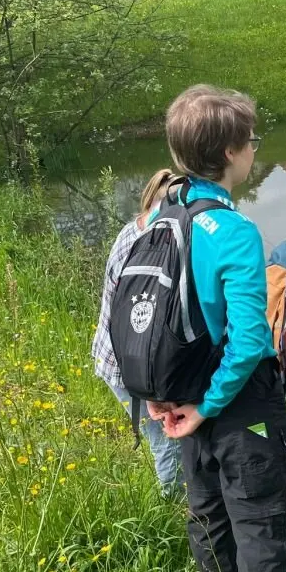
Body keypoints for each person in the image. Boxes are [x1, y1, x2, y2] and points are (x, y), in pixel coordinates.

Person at [152, 85, 286, 572]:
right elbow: (246, 343)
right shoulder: (233, 230)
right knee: (260, 519)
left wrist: (161, 394)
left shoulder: (161, 217)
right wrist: (210, 405)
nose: (254, 151)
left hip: (180, 395)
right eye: (252, 142)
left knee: (208, 512)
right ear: (230, 153)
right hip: (234, 400)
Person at [91, 168, 182, 496]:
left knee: (167, 439)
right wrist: (155, 389)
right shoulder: (156, 248)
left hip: (113, 355)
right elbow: (142, 327)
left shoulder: (131, 231)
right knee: (168, 443)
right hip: (130, 364)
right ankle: (173, 507)